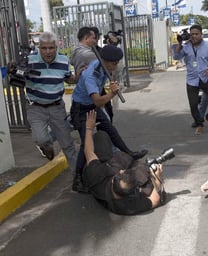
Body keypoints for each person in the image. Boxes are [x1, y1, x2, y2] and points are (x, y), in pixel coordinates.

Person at [70, 45, 147, 193]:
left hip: (92, 106)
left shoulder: (104, 69)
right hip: (81, 109)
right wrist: (112, 94)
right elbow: (98, 101)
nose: (115, 66)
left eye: (117, 63)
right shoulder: (90, 75)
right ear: (104, 61)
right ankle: (78, 179)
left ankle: (128, 152)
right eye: (113, 63)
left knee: (110, 130)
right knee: (86, 142)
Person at [83, 110, 164, 215]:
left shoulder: (96, 174)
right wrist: (158, 178)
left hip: (100, 168)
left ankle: (117, 153)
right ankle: (121, 153)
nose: (121, 170)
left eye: (120, 173)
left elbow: (88, 152)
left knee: (100, 136)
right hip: (111, 165)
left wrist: (89, 128)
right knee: (141, 168)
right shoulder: (129, 204)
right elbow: (155, 199)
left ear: (112, 181)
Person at [25, 31, 77, 173]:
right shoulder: (29, 61)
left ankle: (78, 177)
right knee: (41, 139)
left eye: (51, 48)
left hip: (56, 107)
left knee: (67, 144)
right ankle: (46, 147)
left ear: (56, 47)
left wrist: (78, 76)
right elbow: (16, 78)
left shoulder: (63, 60)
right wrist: (12, 69)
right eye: (44, 48)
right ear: (39, 48)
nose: (47, 52)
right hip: (36, 108)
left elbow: (68, 78)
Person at [173, 24, 208, 135]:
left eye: (196, 34)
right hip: (191, 79)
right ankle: (199, 124)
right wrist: (179, 45)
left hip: (205, 77)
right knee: (193, 105)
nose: (194, 36)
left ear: (201, 34)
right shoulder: (186, 47)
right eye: (192, 34)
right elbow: (176, 57)